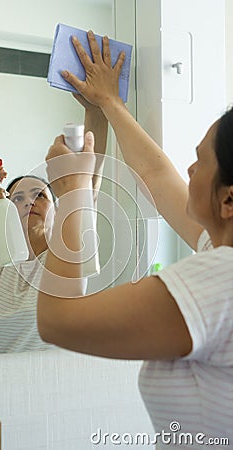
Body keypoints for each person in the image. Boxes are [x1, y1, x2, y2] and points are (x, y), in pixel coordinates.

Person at [37, 31, 233, 445]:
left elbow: (57, 321)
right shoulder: (221, 251)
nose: (188, 169)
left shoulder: (222, 280)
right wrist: (109, 103)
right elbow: (156, 175)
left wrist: (72, 192)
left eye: (199, 161)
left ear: (228, 199)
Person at [0, 96, 108, 354]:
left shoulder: (67, 250)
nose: (29, 202)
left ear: (57, 210)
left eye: (40, 195)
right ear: (7, 211)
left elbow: (90, 174)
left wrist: (95, 108)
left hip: (50, 382)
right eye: (18, 198)